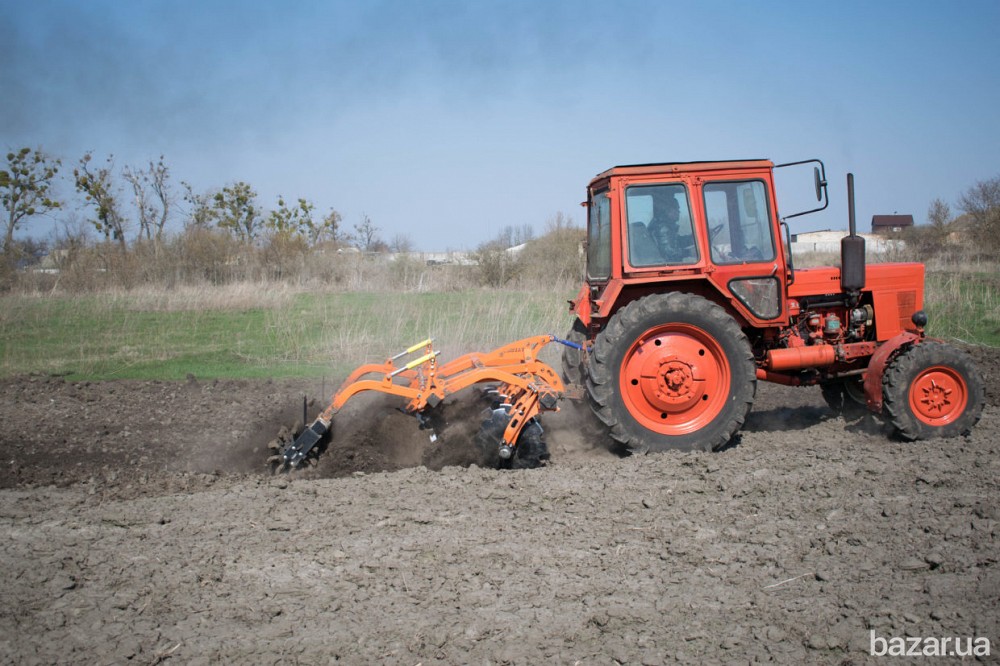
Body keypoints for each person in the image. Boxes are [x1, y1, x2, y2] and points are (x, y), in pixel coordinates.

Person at [647, 191, 693, 262]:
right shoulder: (662, 228)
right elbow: (669, 253)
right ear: (667, 211)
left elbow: (677, 241)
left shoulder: (667, 226)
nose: (679, 212)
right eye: (676, 209)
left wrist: (693, 239)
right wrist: (689, 252)